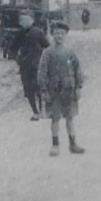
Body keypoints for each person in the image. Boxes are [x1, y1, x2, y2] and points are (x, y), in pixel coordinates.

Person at [37, 19, 85, 156]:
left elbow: (77, 70)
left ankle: (73, 143)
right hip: (54, 90)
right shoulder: (47, 52)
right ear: (52, 35)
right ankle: (55, 144)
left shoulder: (70, 51)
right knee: (55, 118)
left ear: (66, 35)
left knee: (70, 117)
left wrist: (78, 87)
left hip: (69, 89)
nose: (59, 36)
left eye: (62, 34)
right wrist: (44, 90)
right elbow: (42, 71)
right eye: (56, 33)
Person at [11, 8, 49, 120]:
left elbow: (47, 46)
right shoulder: (19, 34)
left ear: (31, 20)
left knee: (39, 87)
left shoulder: (37, 32)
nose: (23, 22)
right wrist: (17, 58)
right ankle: (35, 111)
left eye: (25, 19)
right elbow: (13, 48)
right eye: (21, 20)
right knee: (28, 89)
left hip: (37, 64)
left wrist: (45, 59)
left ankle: (42, 110)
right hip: (24, 65)